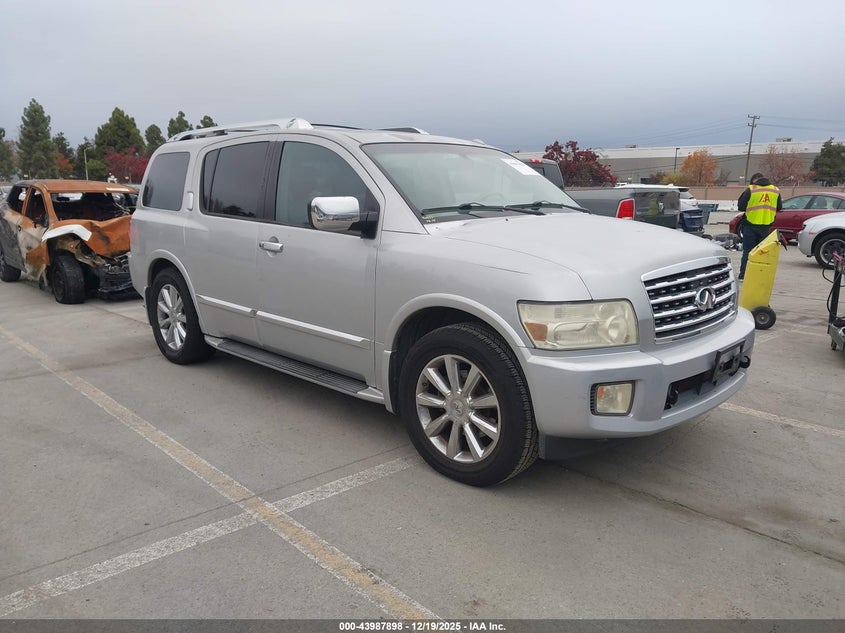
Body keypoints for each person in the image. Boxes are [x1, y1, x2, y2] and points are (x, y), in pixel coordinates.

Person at [737, 172, 782, 280]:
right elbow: (779, 207)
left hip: (750, 225)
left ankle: (744, 275)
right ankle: (758, 275)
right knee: (762, 252)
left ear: (754, 180)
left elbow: (741, 206)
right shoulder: (775, 190)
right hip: (766, 226)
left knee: (748, 251)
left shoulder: (751, 189)